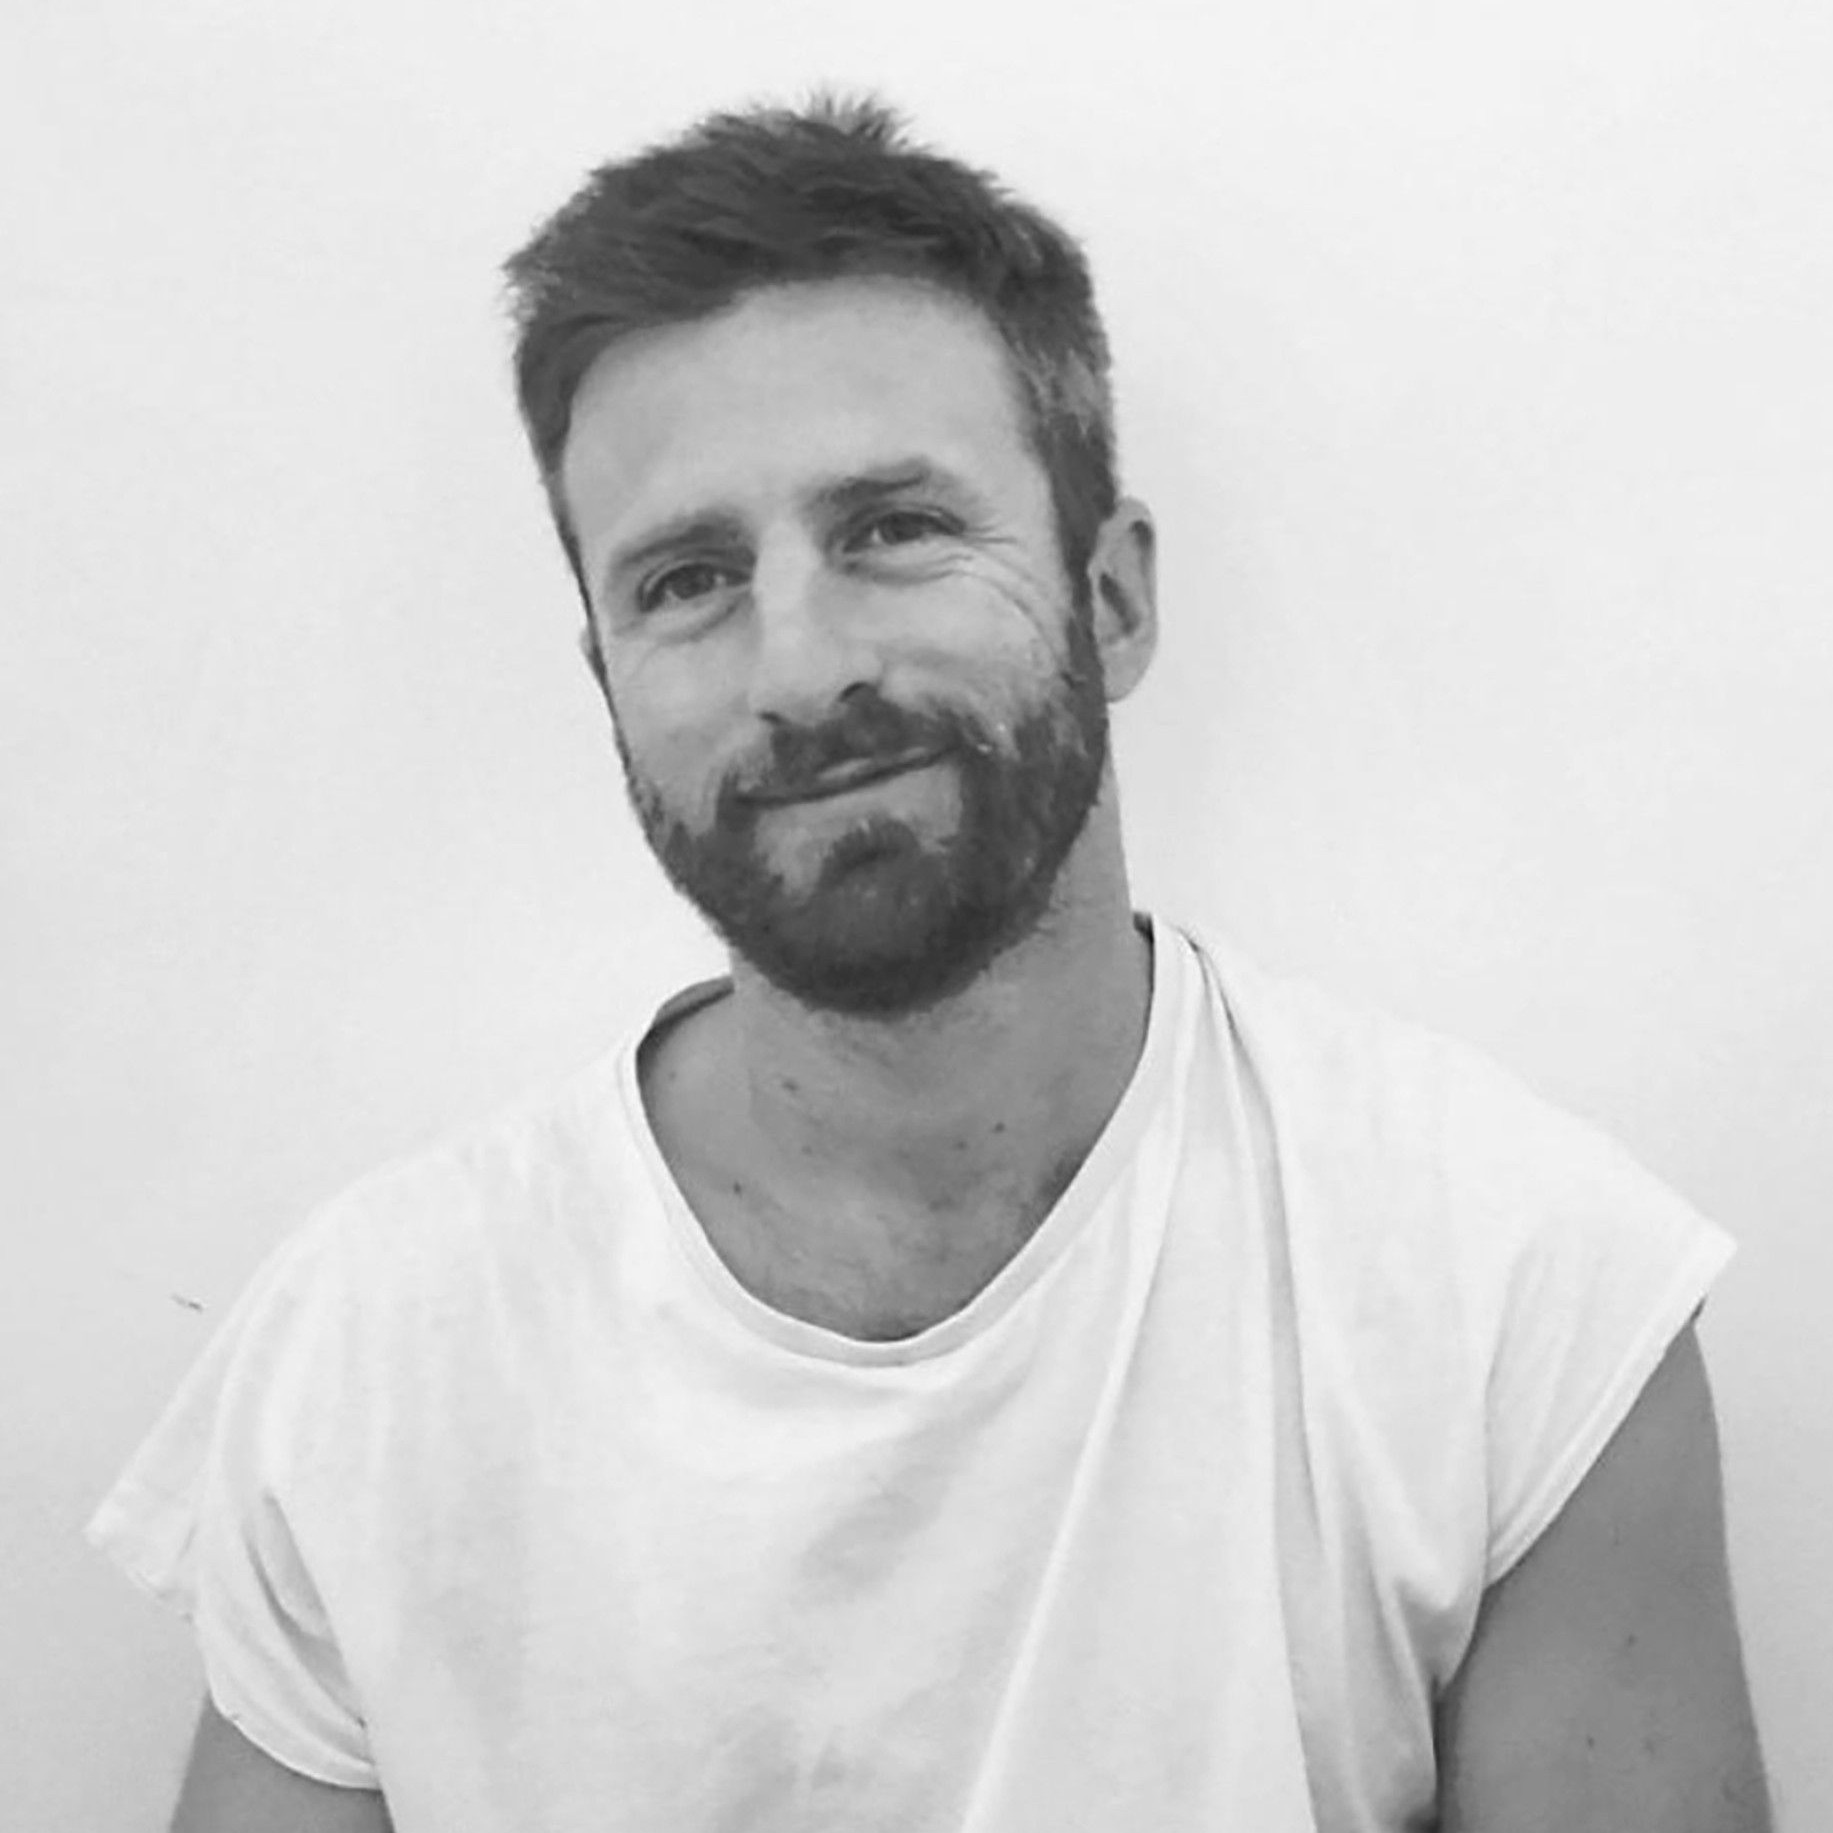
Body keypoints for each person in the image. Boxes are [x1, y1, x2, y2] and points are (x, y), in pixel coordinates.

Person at [89, 94, 1772, 1832]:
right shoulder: (370, 1357)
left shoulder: (1510, 1296)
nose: (797, 668)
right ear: (607, 682)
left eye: (890, 527)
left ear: (1111, 601)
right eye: (687, 579)